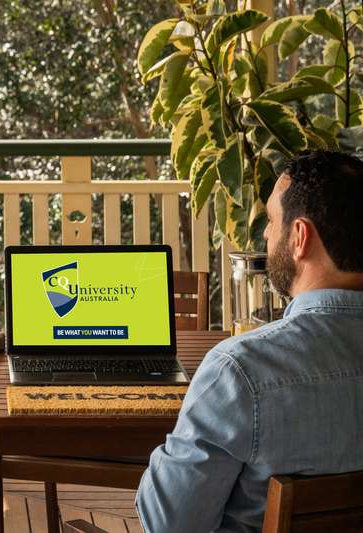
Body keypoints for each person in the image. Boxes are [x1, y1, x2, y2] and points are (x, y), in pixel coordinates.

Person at [135, 150, 363, 532]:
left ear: (300, 237)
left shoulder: (239, 371)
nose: (267, 234)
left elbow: (168, 524)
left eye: (272, 221)